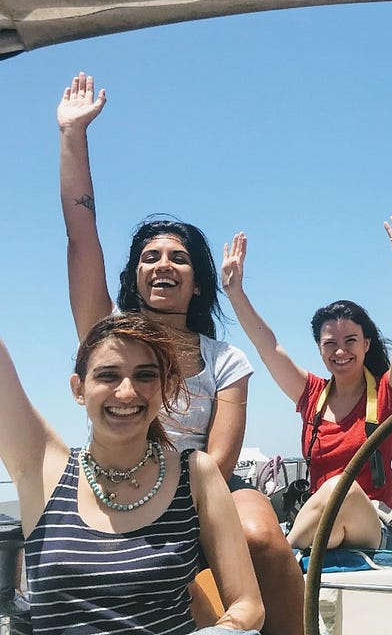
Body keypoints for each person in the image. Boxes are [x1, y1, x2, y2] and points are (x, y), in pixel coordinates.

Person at [56, 73, 303, 634]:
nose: (163, 263)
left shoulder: (226, 361)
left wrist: (173, 498)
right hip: (118, 474)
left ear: (197, 284)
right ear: (133, 276)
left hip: (203, 482)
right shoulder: (109, 334)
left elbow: (218, 459)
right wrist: (73, 136)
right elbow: (81, 237)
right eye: (149, 256)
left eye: (178, 257)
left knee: (263, 535)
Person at [0, 313, 264, 634]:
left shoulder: (195, 474)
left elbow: (247, 605)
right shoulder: (42, 468)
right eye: (108, 376)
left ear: (165, 386)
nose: (126, 392)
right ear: (78, 388)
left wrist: (220, 631)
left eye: (145, 376)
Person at [220, 217, 392, 551]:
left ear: (367, 344)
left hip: (375, 527)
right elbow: (267, 346)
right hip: (323, 527)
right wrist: (235, 292)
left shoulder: (387, 392)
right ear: (319, 348)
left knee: (339, 487)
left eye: (351, 340)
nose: (340, 351)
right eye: (330, 343)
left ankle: (281, 555)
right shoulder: (311, 395)